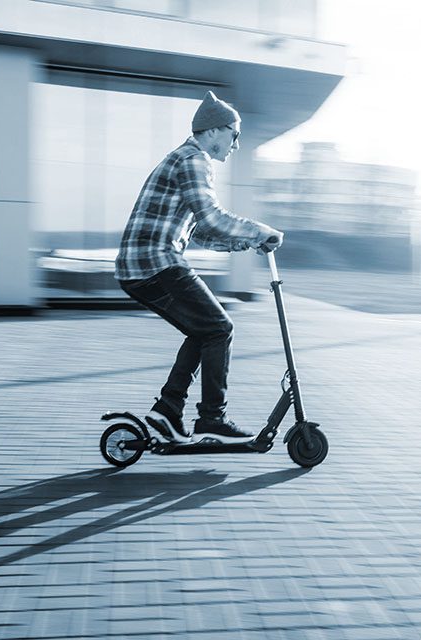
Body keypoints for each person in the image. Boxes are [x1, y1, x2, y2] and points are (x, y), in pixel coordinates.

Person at [115, 91, 283, 445]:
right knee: (220, 328)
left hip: (142, 267)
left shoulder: (184, 158)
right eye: (234, 135)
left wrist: (248, 242)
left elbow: (202, 233)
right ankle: (211, 419)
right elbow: (212, 216)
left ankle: (168, 410)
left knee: (206, 331)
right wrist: (260, 230)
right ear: (214, 130)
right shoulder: (193, 159)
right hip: (155, 263)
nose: (236, 145)